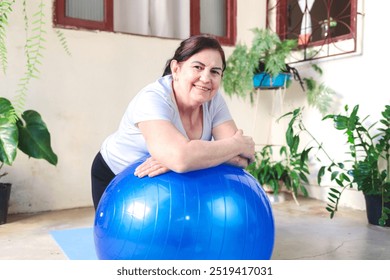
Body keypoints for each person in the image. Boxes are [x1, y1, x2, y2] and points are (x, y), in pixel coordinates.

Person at [91, 34, 255, 209]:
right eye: (198, 67)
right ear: (176, 69)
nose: (206, 78)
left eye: (215, 71)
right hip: (116, 175)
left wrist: (188, 156)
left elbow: (241, 159)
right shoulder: (152, 98)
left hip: (168, 181)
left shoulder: (213, 101)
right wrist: (235, 145)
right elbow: (181, 159)